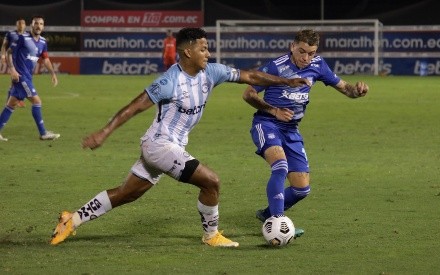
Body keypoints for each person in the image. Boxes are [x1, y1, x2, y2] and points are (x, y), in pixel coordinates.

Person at [50, 27, 309, 247]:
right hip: (159, 145)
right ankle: (211, 235)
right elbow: (134, 106)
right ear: (188, 52)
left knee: (127, 194)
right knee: (212, 182)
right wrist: (103, 132)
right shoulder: (169, 81)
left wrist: (284, 82)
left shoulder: (212, 72)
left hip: (169, 146)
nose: (208, 53)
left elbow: (249, 76)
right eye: (203, 49)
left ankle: (71, 219)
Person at [242, 29, 369, 238]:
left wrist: (358, 90)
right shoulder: (276, 66)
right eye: (302, 51)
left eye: (311, 53)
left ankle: (267, 214)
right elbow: (248, 93)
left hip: (291, 131)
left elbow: (346, 88)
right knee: (280, 166)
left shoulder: (318, 65)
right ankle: (278, 222)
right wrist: (274, 110)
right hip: (267, 124)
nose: (306, 58)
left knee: (301, 189)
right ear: (293, 46)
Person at [0, 15, 59, 142]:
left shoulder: (43, 42)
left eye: (41, 24)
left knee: (11, 105)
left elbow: (46, 59)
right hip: (21, 77)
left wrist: (52, 74)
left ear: (43, 27)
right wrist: (12, 70)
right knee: (37, 102)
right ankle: (43, 133)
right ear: (31, 25)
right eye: (36, 23)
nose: (38, 26)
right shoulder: (23, 38)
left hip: (27, 77)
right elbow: (9, 52)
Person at [1, 17, 27, 108]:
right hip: (12, 60)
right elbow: (4, 45)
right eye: (19, 23)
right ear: (16, 25)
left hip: (23, 61)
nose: (21, 25)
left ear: (25, 25)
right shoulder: (10, 33)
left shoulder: (27, 35)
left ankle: (17, 100)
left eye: (22, 23)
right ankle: (11, 101)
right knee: (15, 80)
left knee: (22, 80)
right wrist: (3, 55)